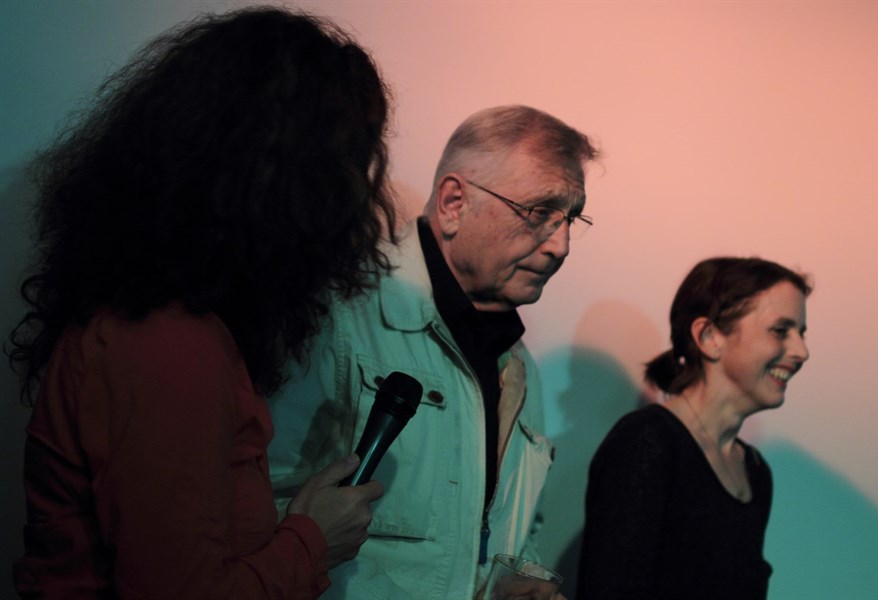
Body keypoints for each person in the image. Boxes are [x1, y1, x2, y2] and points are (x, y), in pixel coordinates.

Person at [8, 7, 398, 598]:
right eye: (346, 165)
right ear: (285, 177)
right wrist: (312, 541)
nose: (356, 200)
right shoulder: (166, 345)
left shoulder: (170, 327)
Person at [267, 104, 600, 599]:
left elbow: (504, 530)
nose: (562, 246)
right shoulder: (338, 312)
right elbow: (248, 507)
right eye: (539, 214)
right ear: (452, 203)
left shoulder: (518, 366)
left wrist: (515, 579)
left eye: (571, 218)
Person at [577, 257, 812, 599]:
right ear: (709, 336)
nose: (802, 351)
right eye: (780, 330)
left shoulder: (755, 472)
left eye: (801, 333)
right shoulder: (647, 441)